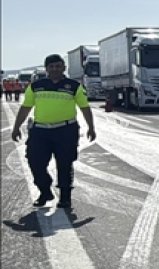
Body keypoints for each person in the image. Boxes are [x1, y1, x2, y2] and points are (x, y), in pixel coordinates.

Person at [11, 54, 97, 209]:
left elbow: (85, 107)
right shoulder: (36, 86)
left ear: (64, 68)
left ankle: (65, 198)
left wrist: (91, 127)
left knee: (64, 164)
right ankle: (45, 191)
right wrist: (16, 127)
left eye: (58, 66)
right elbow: (25, 108)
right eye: (51, 66)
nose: (55, 69)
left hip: (66, 130)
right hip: (40, 131)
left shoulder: (74, 86)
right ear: (46, 69)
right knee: (34, 161)